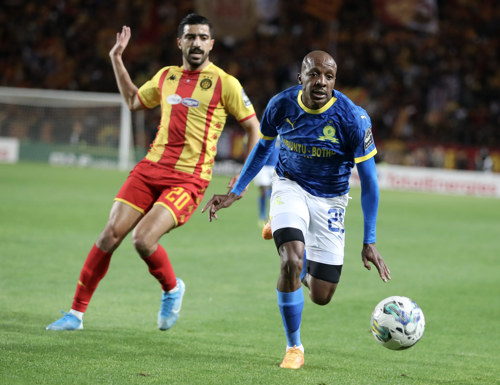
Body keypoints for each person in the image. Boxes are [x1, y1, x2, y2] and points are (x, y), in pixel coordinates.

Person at [46, 13, 260, 331]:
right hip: (149, 169)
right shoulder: (166, 77)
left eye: (203, 37)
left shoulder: (225, 83)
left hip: (189, 178)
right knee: (109, 235)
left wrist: (243, 178)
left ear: (212, 43)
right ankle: (75, 315)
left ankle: (172, 288)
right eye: (190, 37)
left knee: (142, 240)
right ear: (180, 42)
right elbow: (133, 100)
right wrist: (117, 58)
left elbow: (254, 130)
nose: (196, 43)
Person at [202, 50, 391, 369]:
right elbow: (262, 148)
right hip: (290, 186)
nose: (321, 82)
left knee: (321, 295)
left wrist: (369, 240)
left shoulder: (353, 118)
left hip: (331, 200)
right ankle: (294, 347)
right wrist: (236, 190)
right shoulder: (281, 105)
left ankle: (287, 233)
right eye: (314, 74)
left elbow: (370, 182)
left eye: (328, 76)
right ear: (300, 77)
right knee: (290, 259)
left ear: (335, 80)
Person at [254, 137, 280, 227]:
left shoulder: (282, 128)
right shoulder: (261, 130)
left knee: (275, 193)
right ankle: (262, 216)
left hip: (275, 165)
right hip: (263, 166)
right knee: (263, 192)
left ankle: (273, 216)